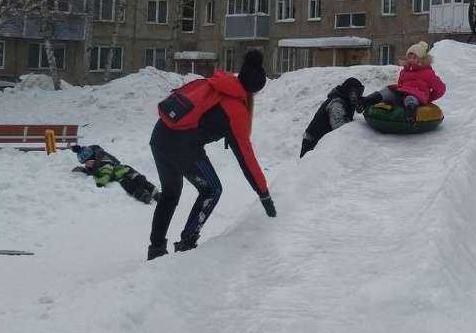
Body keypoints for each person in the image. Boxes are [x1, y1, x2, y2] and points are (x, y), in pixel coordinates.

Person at [146, 50, 275, 261]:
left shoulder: (218, 83)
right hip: (182, 145)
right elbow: (246, 158)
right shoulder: (236, 110)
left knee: (170, 194)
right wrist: (264, 194)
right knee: (212, 189)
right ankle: (187, 244)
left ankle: (156, 249)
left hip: (160, 135)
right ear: (254, 90)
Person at [363, 42, 445, 116]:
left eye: (414, 57)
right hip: (402, 94)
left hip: (416, 96)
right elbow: (400, 84)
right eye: (409, 57)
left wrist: (428, 98)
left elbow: (440, 88)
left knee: (410, 98)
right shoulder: (404, 71)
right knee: (387, 91)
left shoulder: (427, 73)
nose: (411, 60)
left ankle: (410, 114)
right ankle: (366, 101)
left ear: (421, 59)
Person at [300, 76, 366, 157]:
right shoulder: (336, 104)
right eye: (358, 92)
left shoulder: (345, 98)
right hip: (312, 143)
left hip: (321, 140)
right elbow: (339, 127)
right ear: (352, 92)